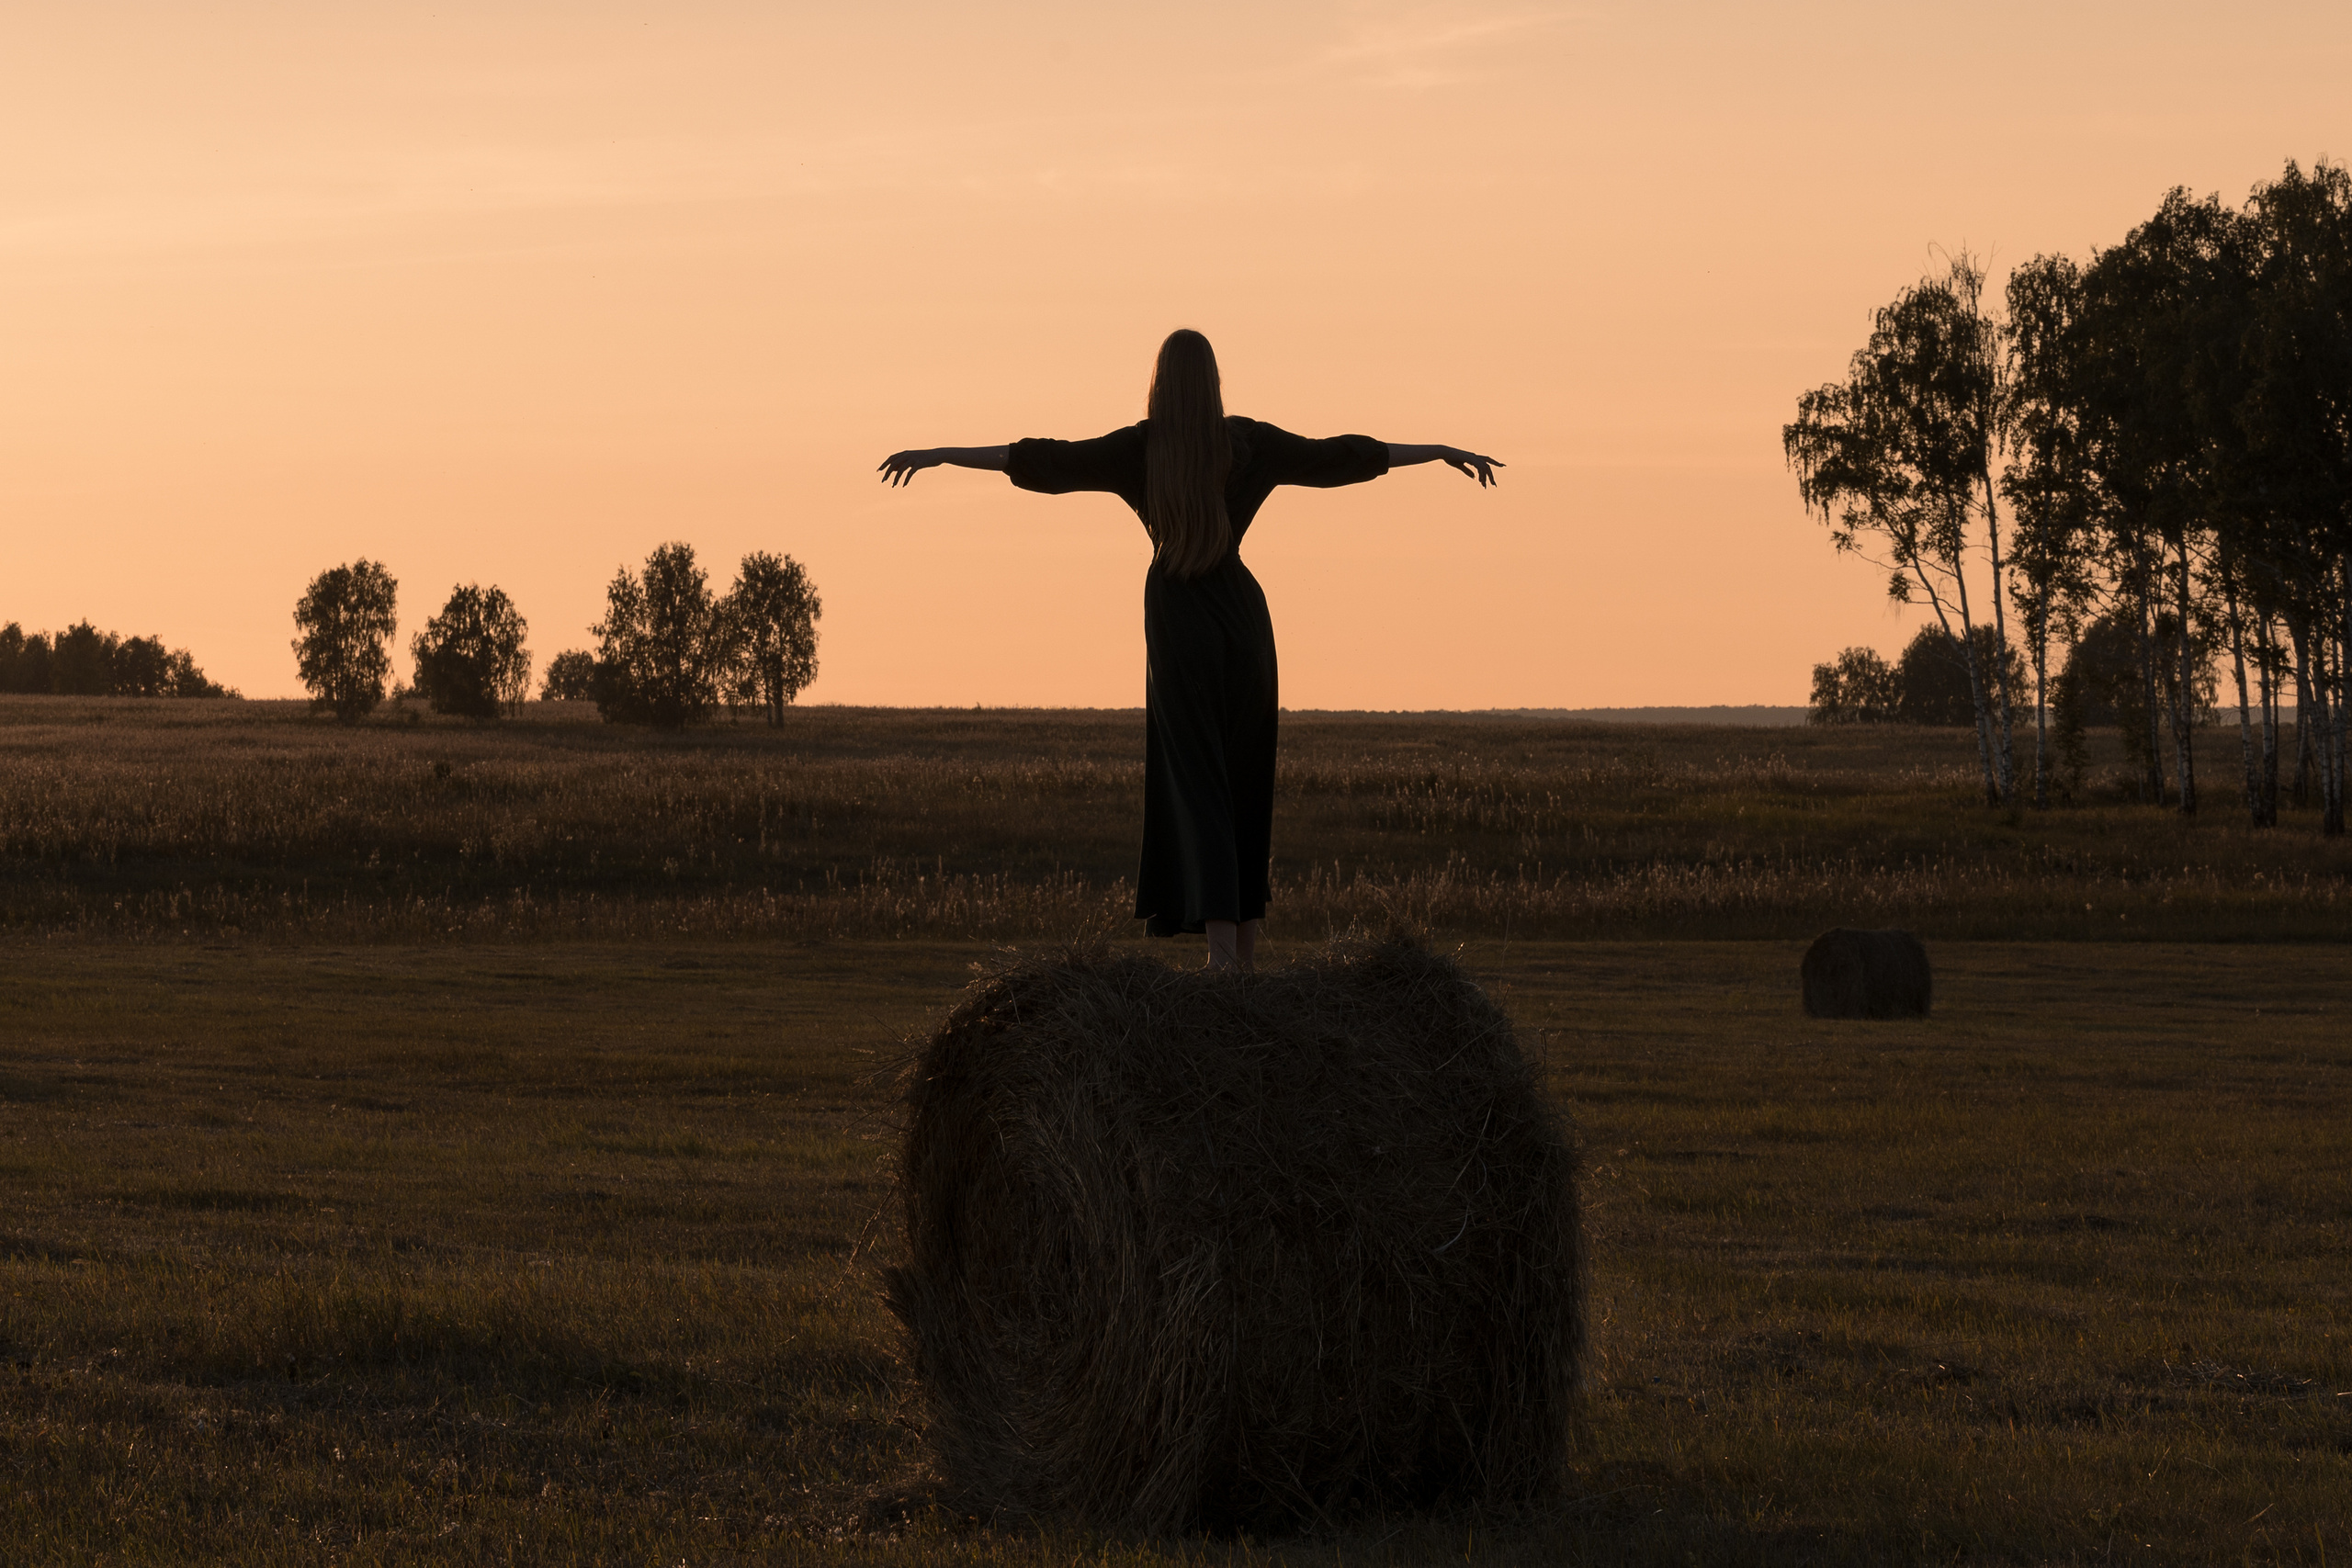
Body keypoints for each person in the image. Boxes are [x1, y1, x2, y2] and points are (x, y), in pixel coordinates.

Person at [879, 328, 1499, 971]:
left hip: (1180, 626)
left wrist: (943, 453)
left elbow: (1043, 459)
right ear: (1213, 383)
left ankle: (1223, 959)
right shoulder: (1247, 443)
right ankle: (1241, 961)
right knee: (1246, 779)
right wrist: (1438, 450)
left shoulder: (1141, 450)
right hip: (1245, 621)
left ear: (1159, 383)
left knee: (1199, 782)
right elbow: (1339, 455)